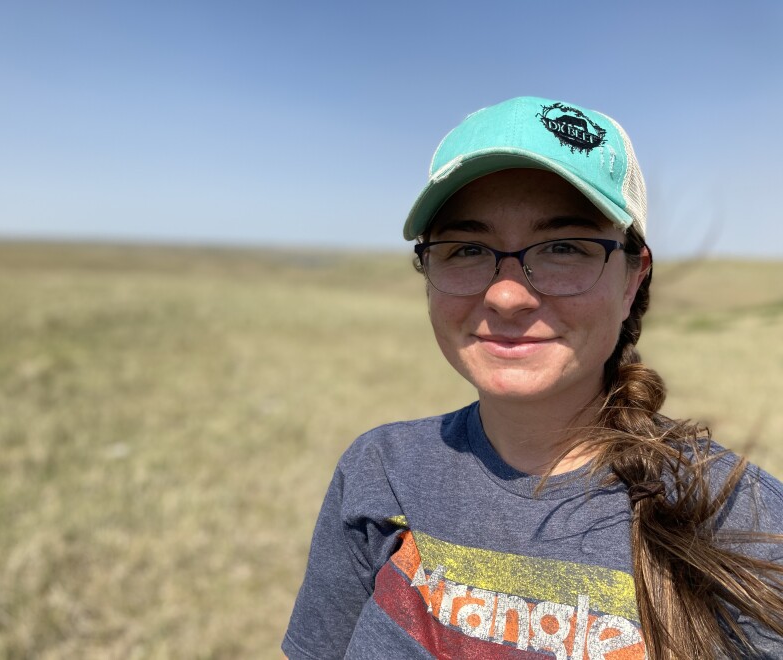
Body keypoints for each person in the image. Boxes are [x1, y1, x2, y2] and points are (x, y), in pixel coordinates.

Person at [281, 96, 783, 659]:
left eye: (563, 247)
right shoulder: (380, 471)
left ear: (631, 280)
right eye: (468, 248)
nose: (507, 295)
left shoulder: (744, 522)